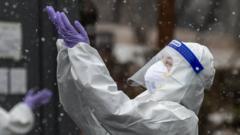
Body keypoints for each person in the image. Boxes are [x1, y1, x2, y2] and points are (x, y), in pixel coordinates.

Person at [45, 6, 215, 135]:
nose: (159, 67)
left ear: (186, 77)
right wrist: (70, 55)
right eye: (162, 60)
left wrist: (83, 55)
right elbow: (85, 115)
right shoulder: (147, 103)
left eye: (169, 64)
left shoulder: (181, 120)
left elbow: (114, 112)